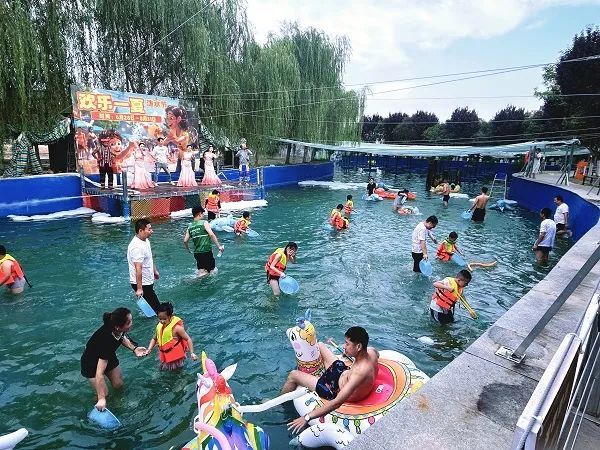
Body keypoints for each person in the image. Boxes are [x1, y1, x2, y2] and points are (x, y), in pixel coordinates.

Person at [284, 326, 379, 434]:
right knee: (319, 345)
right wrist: (352, 355)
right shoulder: (372, 352)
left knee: (293, 375)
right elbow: (375, 356)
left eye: (347, 344)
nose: (344, 346)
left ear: (358, 346)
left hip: (333, 388)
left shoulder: (359, 373)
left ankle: (281, 404)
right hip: (344, 372)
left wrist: (307, 417)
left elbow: (337, 402)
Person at [81, 307, 146, 411]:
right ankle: (95, 406)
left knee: (118, 384)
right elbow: (99, 374)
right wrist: (101, 398)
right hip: (91, 363)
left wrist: (134, 349)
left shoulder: (116, 327)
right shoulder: (107, 340)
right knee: (104, 394)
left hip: (107, 355)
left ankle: (118, 403)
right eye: (129, 323)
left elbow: (121, 337)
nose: (132, 324)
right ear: (117, 327)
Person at [143, 302, 197, 370]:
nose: (162, 321)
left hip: (176, 358)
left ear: (170, 316)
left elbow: (188, 339)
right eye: (160, 319)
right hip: (165, 356)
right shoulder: (159, 326)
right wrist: (149, 349)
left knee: (177, 372)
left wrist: (192, 353)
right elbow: (154, 338)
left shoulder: (177, 328)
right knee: (161, 370)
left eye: (164, 319)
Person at [127, 219, 161, 312]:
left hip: (147, 280)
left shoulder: (145, 240)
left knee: (151, 308)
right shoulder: (136, 247)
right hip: (142, 284)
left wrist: (155, 271)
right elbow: (138, 268)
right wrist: (139, 289)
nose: (152, 231)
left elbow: (149, 258)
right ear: (141, 231)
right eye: (149, 229)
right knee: (158, 309)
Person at [183, 205, 225, 277]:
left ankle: (194, 279)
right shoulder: (204, 223)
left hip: (197, 253)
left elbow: (185, 241)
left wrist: (188, 249)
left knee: (201, 270)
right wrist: (219, 246)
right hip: (206, 251)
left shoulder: (190, 227)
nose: (203, 215)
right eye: (202, 214)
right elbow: (211, 234)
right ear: (199, 214)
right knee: (212, 271)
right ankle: (195, 280)